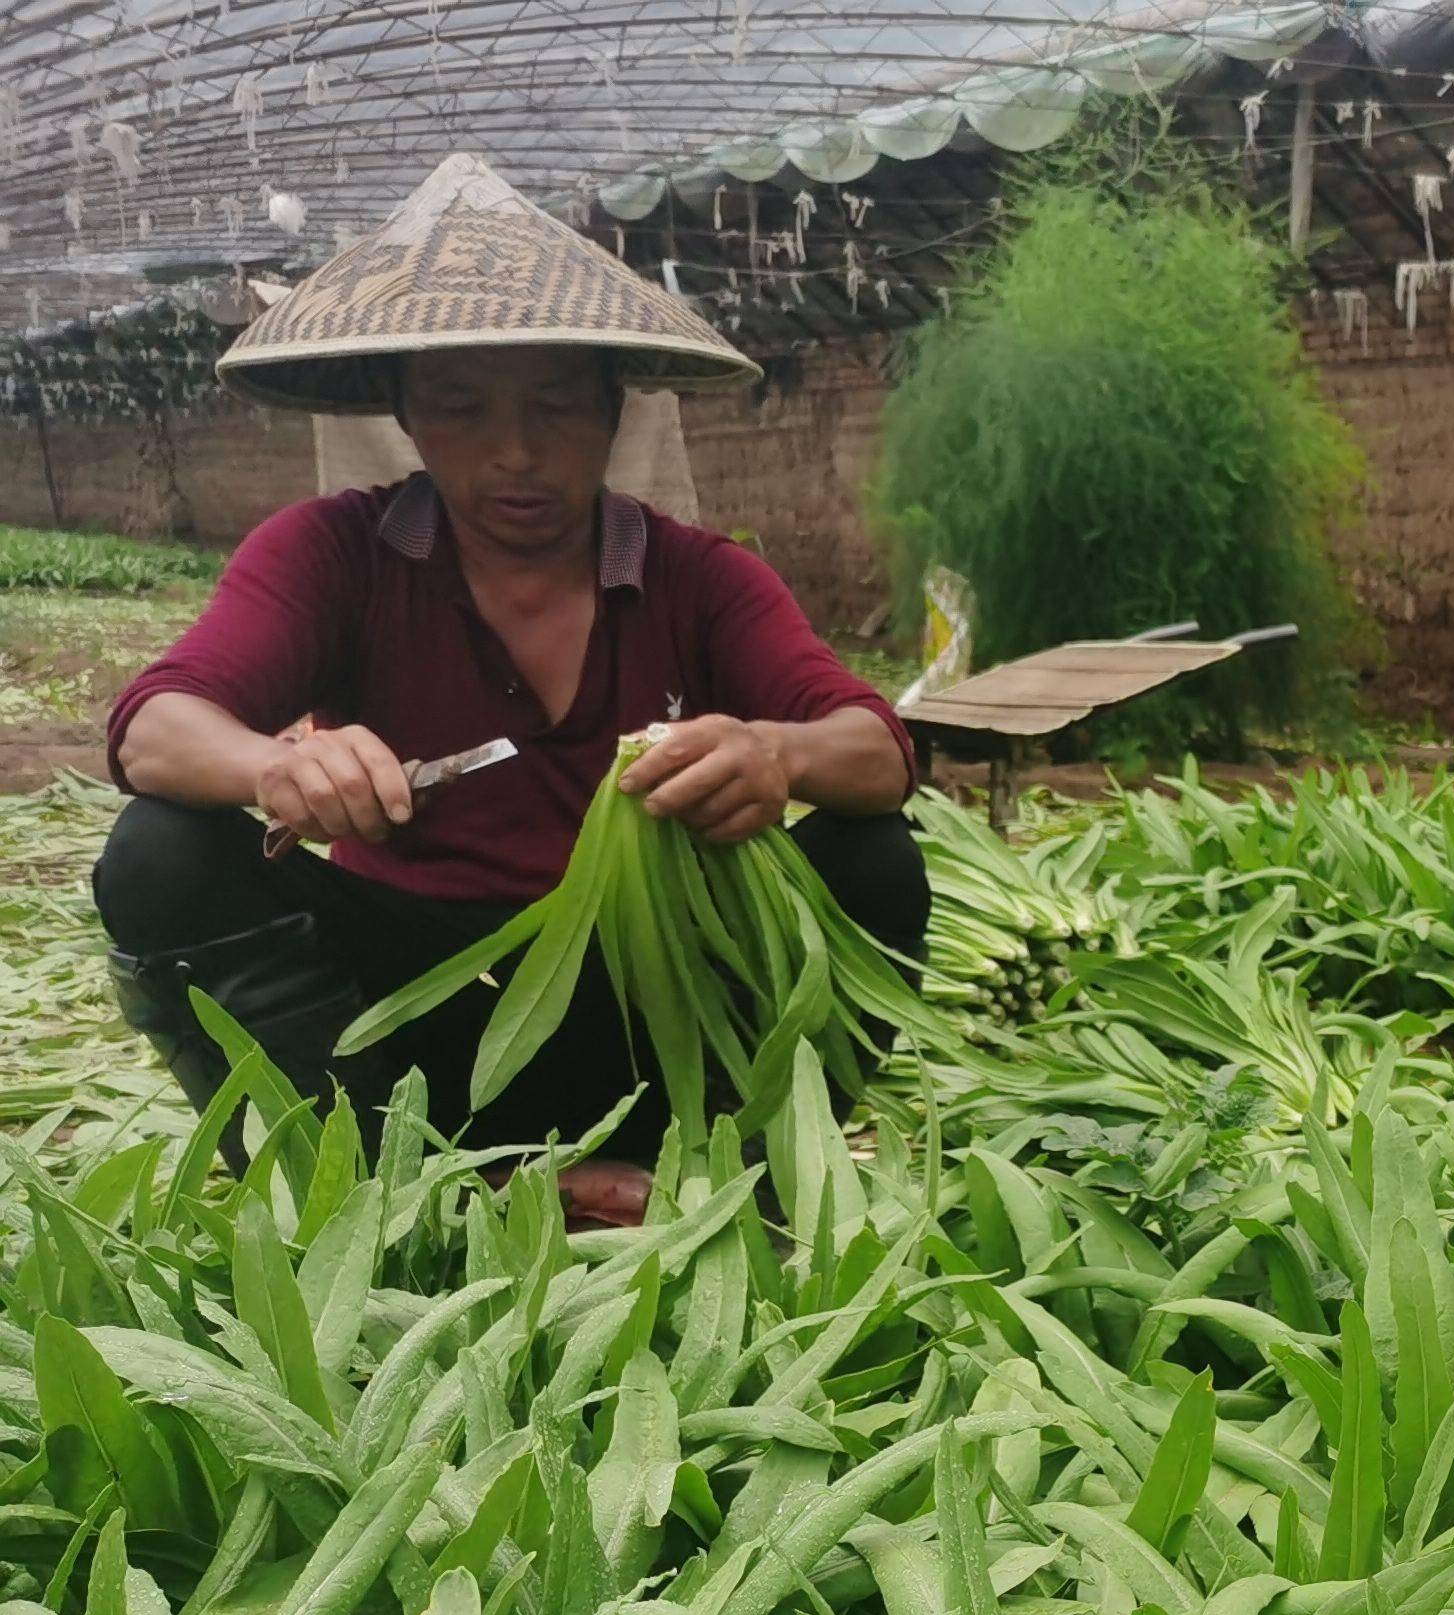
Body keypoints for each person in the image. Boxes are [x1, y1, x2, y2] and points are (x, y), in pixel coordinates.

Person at [94, 153, 926, 1228]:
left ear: (612, 408)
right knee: (158, 853)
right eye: (462, 408)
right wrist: (276, 764)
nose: (517, 454)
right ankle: (373, 1192)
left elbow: (878, 747)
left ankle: (733, 1179)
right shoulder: (336, 553)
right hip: (396, 1021)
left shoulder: (695, 576)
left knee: (874, 857)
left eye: (557, 405)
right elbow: (155, 727)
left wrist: (780, 755)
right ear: (405, 413)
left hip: (644, 1006)